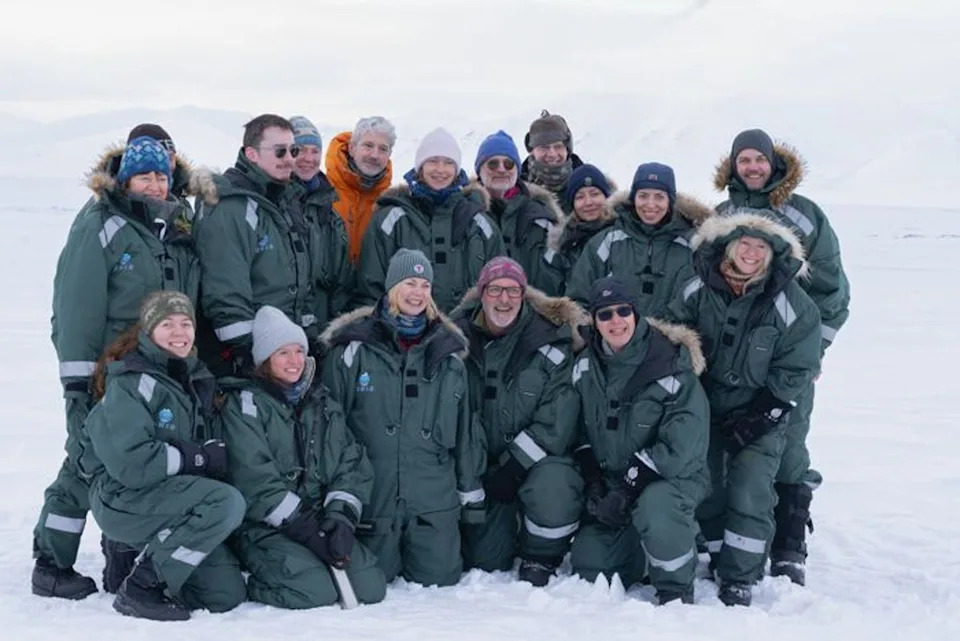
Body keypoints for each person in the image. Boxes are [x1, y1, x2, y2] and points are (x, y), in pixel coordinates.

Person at [32, 136, 200, 600]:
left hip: (158, 370)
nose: (154, 183)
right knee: (87, 459)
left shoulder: (175, 225)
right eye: (144, 175)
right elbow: (75, 308)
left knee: (130, 460)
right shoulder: (100, 225)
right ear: (126, 179)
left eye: (161, 175)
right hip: (109, 372)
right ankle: (50, 560)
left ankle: (122, 552)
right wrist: (79, 382)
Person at [713, 129, 850, 586]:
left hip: (787, 351)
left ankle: (789, 542)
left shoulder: (804, 216)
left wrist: (813, 353)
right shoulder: (722, 216)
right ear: (733, 167)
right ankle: (728, 535)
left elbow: (833, 293)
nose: (752, 167)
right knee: (732, 446)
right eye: (743, 160)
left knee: (788, 443)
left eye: (759, 159)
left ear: (774, 163)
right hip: (731, 357)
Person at [668, 213, 821, 606]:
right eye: (744, 244)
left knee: (752, 489)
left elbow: (799, 365)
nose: (751, 253)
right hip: (702, 405)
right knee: (706, 484)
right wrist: (690, 396)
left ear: (772, 255)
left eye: (761, 247)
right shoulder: (694, 289)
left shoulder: (792, 304)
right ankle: (720, 553)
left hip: (759, 410)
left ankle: (741, 575)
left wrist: (763, 414)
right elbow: (673, 339)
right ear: (729, 247)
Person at [321, 249, 486, 586]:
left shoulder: (450, 355)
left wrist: (471, 500)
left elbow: (466, 433)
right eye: (409, 282)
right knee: (372, 583)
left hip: (432, 504)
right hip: (374, 499)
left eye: (425, 284)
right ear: (392, 287)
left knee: (442, 584)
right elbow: (329, 428)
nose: (418, 292)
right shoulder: (353, 350)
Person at [83, 292, 247, 620]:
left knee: (224, 594)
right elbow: (133, 464)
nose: (179, 332)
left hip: (168, 499)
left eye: (186, 324)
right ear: (147, 331)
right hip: (123, 497)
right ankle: (142, 586)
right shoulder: (131, 382)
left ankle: (134, 556)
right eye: (167, 324)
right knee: (226, 502)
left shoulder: (190, 377)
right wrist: (195, 458)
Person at [219, 306, 386, 608]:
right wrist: (308, 529)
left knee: (371, 585)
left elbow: (350, 462)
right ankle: (250, 584)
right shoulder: (244, 406)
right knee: (313, 590)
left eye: (299, 351)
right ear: (265, 359)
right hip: (265, 525)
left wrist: (340, 518)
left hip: (319, 517)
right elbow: (254, 481)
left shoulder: (321, 402)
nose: (294, 361)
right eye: (283, 353)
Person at [569, 277, 709, 605]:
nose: (615, 321)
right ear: (595, 321)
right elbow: (578, 429)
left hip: (670, 478)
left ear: (636, 313)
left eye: (623, 311)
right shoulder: (585, 366)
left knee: (656, 507)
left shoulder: (670, 364)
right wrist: (594, 482)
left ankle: (676, 583)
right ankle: (639, 550)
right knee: (591, 569)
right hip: (613, 478)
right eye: (604, 315)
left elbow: (681, 445)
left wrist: (629, 487)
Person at [450, 257, 585, 586]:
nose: (504, 299)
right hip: (481, 464)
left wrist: (513, 467)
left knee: (554, 486)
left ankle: (542, 553)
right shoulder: (455, 341)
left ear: (523, 295)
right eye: (495, 289)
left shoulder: (549, 341)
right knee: (485, 559)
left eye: (513, 290)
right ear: (482, 294)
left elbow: (559, 415)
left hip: (535, 460)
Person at [191, 114, 333, 375]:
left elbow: (302, 279)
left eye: (293, 150)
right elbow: (225, 291)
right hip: (254, 356)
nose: (290, 159)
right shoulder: (230, 206)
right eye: (280, 152)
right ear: (252, 154)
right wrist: (246, 352)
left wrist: (307, 336)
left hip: (287, 353)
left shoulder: (286, 199)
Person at [357, 128, 505, 312]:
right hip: (403, 336)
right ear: (420, 167)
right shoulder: (391, 220)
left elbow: (500, 286)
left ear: (457, 169)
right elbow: (370, 289)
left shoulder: (480, 223)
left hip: (467, 336)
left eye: (448, 162)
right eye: (433, 161)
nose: (440, 170)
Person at [567, 163, 713, 317]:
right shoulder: (608, 242)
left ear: (670, 201)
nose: (650, 204)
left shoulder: (691, 246)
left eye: (659, 197)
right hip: (613, 337)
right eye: (643, 195)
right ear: (633, 198)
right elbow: (578, 300)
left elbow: (702, 308)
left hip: (671, 339)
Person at [473, 130, 565, 295]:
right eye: (493, 164)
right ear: (480, 170)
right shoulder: (466, 214)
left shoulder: (541, 217)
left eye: (508, 164)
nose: (501, 169)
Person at [289, 115, 354, 324]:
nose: (309, 158)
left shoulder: (330, 216)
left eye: (315, 151)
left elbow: (341, 282)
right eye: (299, 150)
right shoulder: (275, 207)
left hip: (321, 326)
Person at [325, 116, 396, 264]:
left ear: (389, 155)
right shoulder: (322, 193)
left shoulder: (391, 205)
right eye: (368, 146)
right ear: (352, 148)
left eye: (383, 149)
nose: (374, 155)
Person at [547, 164, 615, 286]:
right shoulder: (564, 244)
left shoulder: (623, 232)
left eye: (594, 194)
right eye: (580, 197)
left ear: (606, 197)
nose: (588, 202)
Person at [519, 110, 585, 208]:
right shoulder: (518, 190)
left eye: (558, 146)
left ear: (567, 149)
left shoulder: (589, 186)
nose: (552, 154)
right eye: (544, 147)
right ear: (531, 150)